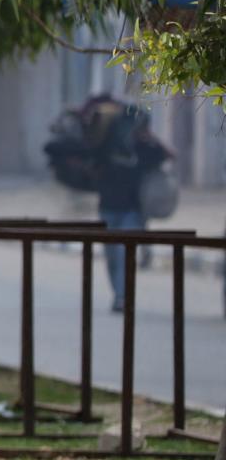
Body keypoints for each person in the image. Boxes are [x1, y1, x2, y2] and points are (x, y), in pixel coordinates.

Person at [83, 95, 173, 310]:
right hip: (107, 210)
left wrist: (151, 137)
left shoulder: (144, 148)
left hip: (133, 212)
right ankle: (118, 295)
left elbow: (170, 155)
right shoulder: (106, 146)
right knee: (112, 257)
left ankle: (123, 297)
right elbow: (88, 160)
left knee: (124, 253)